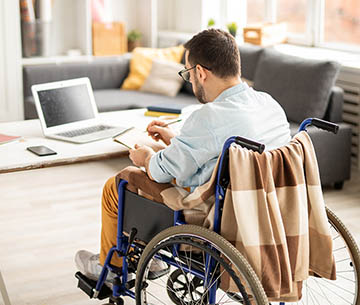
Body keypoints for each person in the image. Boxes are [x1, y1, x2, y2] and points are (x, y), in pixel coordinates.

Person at [75, 29, 291, 282]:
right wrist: (174, 140)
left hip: (213, 215)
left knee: (121, 181)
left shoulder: (209, 116)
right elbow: (215, 154)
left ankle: (111, 267)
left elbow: (159, 171)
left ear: (200, 72)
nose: (190, 80)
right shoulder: (270, 105)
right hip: (265, 208)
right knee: (163, 158)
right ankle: (149, 258)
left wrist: (145, 157)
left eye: (187, 73)